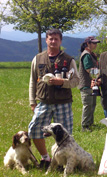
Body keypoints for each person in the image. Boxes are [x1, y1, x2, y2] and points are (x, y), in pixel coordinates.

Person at [28, 29, 79, 169]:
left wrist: (62, 82)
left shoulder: (68, 60)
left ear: (60, 41)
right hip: (43, 101)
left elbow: (76, 81)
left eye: (56, 39)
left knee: (65, 135)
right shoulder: (38, 58)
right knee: (34, 129)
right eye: (50, 39)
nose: (53, 41)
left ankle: (64, 162)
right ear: (46, 40)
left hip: (63, 102)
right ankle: (46, 158)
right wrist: (32, 102)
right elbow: (33, 81)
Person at [78, 36, 100, 132]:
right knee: (87, 105)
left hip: (92, 84)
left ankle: (90, 123)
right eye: (93, 43)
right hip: (86, 84)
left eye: (96, 43)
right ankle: (85, 126)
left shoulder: (91, 54)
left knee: (92, 104)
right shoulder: (86, 55)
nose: (95, 45)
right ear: (88, 44)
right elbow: (89, 69)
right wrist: (99, 74)